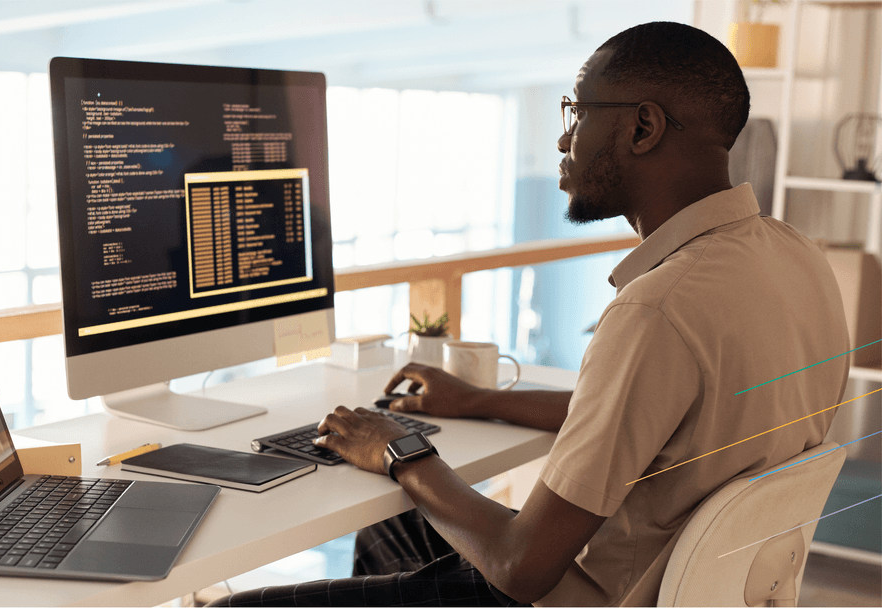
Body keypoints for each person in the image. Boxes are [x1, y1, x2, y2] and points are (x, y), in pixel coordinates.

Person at [209, 21, 849, 607]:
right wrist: (481, 400)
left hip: (581, 596)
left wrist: (399, 448)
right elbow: (649, 415)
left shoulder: (659, 307)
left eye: (577, 111)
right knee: (398, 522)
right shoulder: (797, 259)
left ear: (642, 128)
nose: (566, 138)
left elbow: (520, 568)